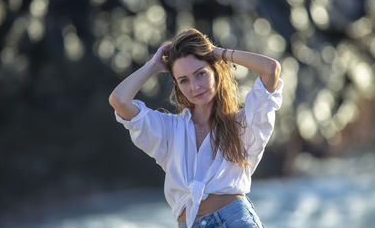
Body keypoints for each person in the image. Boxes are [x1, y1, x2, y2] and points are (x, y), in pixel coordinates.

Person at [108, 28, 283, 228]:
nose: (194, 86)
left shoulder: (243, 124)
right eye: (184, 80)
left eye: (201, 74)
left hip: (235, 221)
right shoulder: (169, 130)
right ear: (177, 85)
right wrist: (153, 65)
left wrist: (218, 53)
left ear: (216, 71)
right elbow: (119, 100)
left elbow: (270, 69)